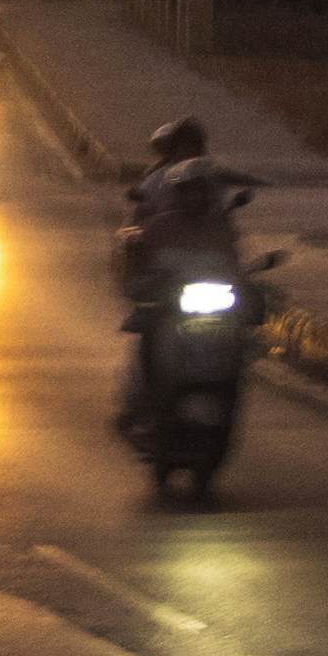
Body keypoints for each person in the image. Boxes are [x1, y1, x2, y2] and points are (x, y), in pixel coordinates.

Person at [113, 116, 249, 435]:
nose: (196, 198)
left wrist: (243, 284)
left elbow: (233, 256)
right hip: (168, 294)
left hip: (209, 294)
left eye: (201, 192)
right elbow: (134, 241)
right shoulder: (159, 214)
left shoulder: (218, 219)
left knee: (240, 337)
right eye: (188, 192)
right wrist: (138, 267)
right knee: (148, 329)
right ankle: (142, 402)